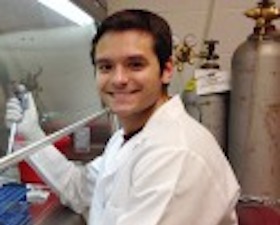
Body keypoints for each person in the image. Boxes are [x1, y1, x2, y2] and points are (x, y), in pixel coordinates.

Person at [5, 9, 240, 225]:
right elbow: (78, 190)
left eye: (135, 64)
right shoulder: (126, 137)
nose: (118, 79)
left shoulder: (175, 155)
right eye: (106, 67)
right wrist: (31, 134)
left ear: (166, 70)